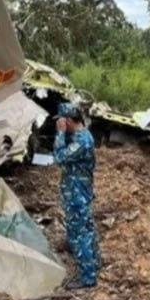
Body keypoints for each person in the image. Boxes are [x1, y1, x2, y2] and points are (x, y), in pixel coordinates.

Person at [54, 103, 101, 289]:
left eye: (61, 120)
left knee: (78, 233)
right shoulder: (81, 136)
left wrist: (59, 134)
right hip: (78, 192)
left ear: (67, 120)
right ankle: (94, 263)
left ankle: (87, 278)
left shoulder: (82, 141)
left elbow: (59, 157)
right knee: (87, 228)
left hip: (77, 194)